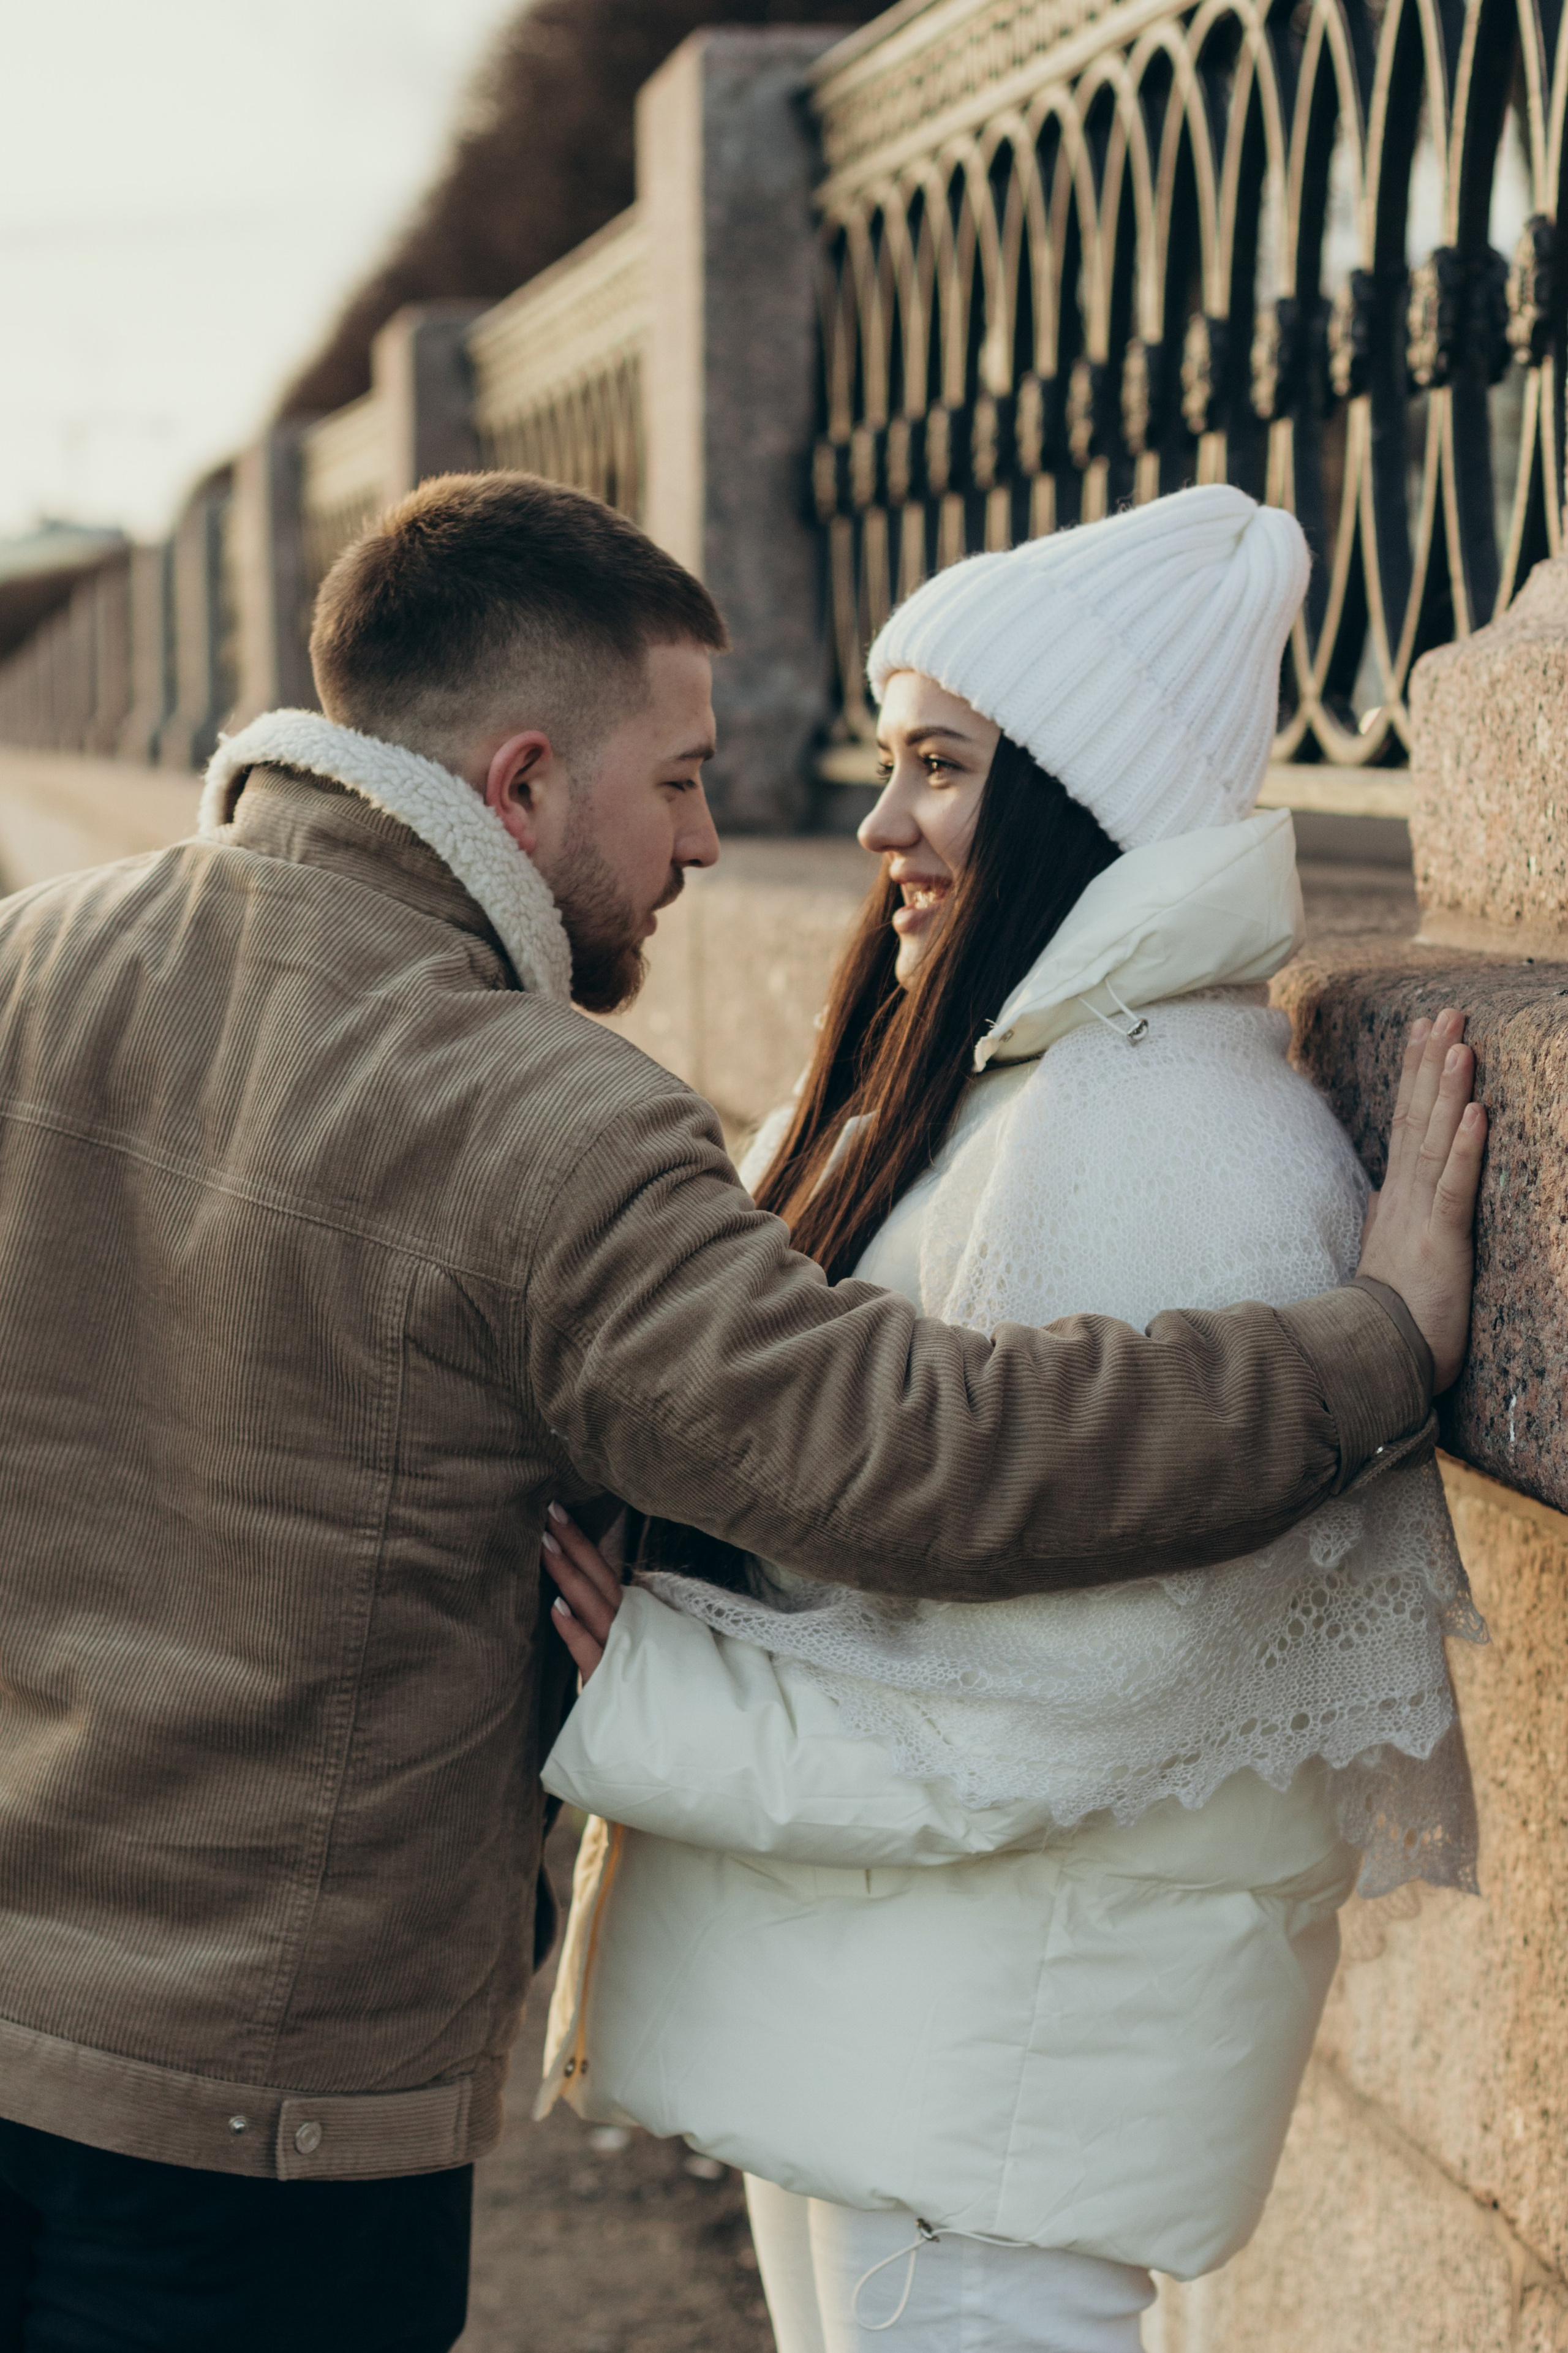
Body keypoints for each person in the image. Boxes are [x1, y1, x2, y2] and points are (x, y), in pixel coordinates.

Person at [0, 473, 1479, 2353]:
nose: (720, 839)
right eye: (681, 780)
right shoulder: (536, 1116)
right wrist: (1371, 1346)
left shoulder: (30, 960)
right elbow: (932, 1451)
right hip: (263, 2120)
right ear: (524, 780)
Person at [537, 486, 1487, 2353]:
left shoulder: (1154, 1138)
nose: (877, 819)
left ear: (1080, 794)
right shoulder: (1014, 1083)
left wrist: (658, 1686)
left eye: (942, 766)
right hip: (899, 2048)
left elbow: (1064, 1708)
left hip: (992, 2114)